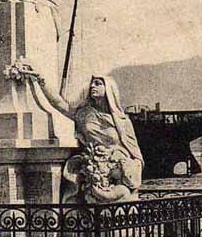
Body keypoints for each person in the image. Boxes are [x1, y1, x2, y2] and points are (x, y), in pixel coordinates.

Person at [30, 74, 143, 203]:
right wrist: (40, 79)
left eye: (98, 83)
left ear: (109, 89)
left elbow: (134, 152)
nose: (92, 86)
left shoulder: (123, 121)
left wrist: (131, 167)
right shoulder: (85, 114)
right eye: (92, 83)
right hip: (92, 167)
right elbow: (58, 103)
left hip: (116, 170)